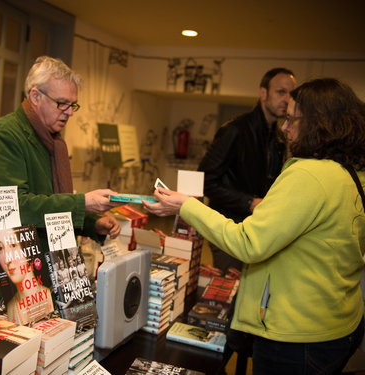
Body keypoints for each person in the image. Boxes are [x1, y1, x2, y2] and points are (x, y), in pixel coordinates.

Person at [143, 78, 365, 374]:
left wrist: (186, 205)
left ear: (317, 123)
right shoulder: (352, 171)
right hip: (338, 321)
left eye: (291, 118)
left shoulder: (310, 174)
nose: (285, 128)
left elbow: (248, 243)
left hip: (295, 333)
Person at [0, 56, 121, 311]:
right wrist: (83, 203)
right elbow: (14, 208)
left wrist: (91, 222)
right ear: (35, 96)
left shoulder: (52, 142)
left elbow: (48, 200)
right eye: (61, 103)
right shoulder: (5, 135)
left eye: (72, 105)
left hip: (34, 274)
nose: (68, 112)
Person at [198, 67, 296, 272]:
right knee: (229, 293)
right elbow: (205, 180)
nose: (287, 99)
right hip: (227, 228)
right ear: (263, 93)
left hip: (257, 229)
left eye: (291, 94)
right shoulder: (235, 130)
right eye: (280, 92)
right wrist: (249, 202)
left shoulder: (278, 136)